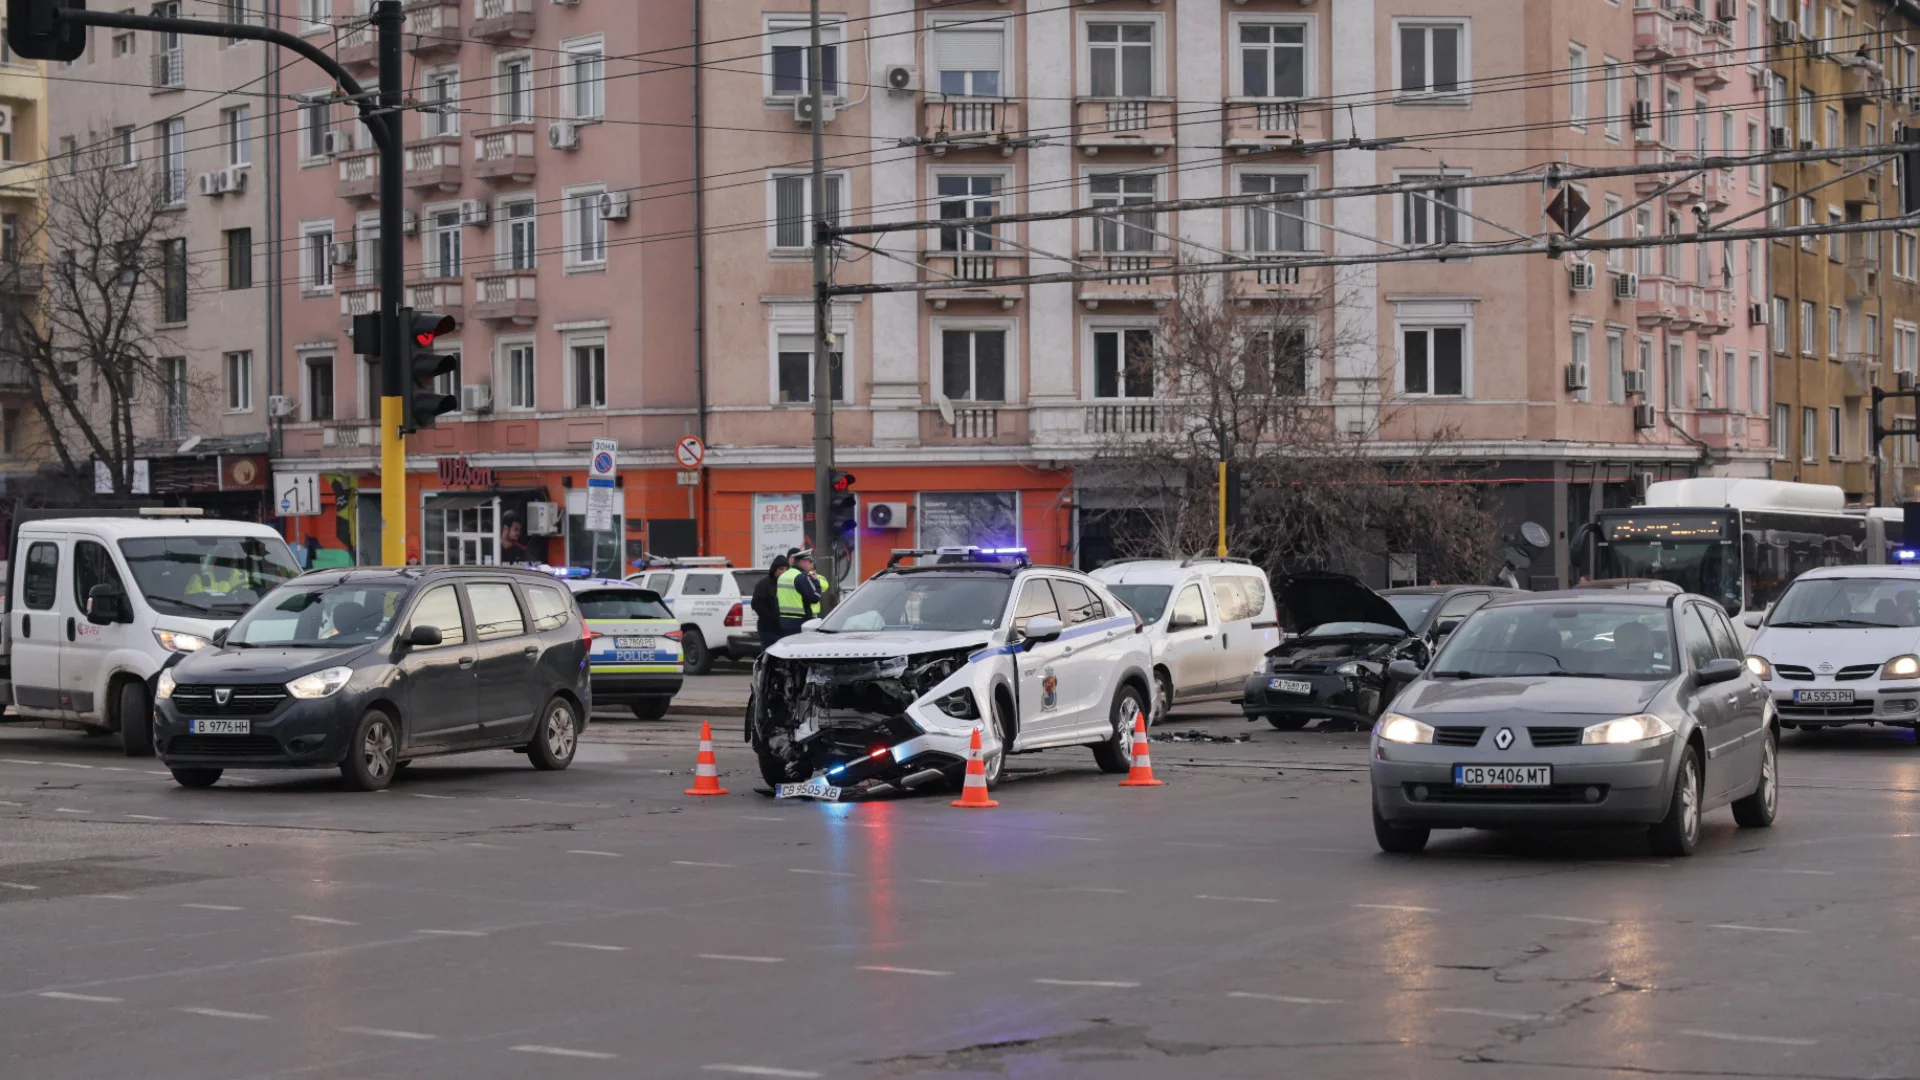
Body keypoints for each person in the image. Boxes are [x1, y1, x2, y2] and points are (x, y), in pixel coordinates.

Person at [776, 550, 827, 635]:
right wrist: (816, 582)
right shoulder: (801, 577)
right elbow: (815, 598)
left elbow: (777, 599)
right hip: (800, 622)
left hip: (784, 621)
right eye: (810, 562)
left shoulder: (783, 576)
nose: (812, 565)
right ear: (802, 562)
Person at [753, 553, 790, 650]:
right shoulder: (764, 584)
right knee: (767, 656)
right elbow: (757, 604)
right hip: (768, 629)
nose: (784, 572)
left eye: (786, 569)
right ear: (775, 570)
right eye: (781, 569)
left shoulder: (790, 584)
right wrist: (773, 618)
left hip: (785, 628)